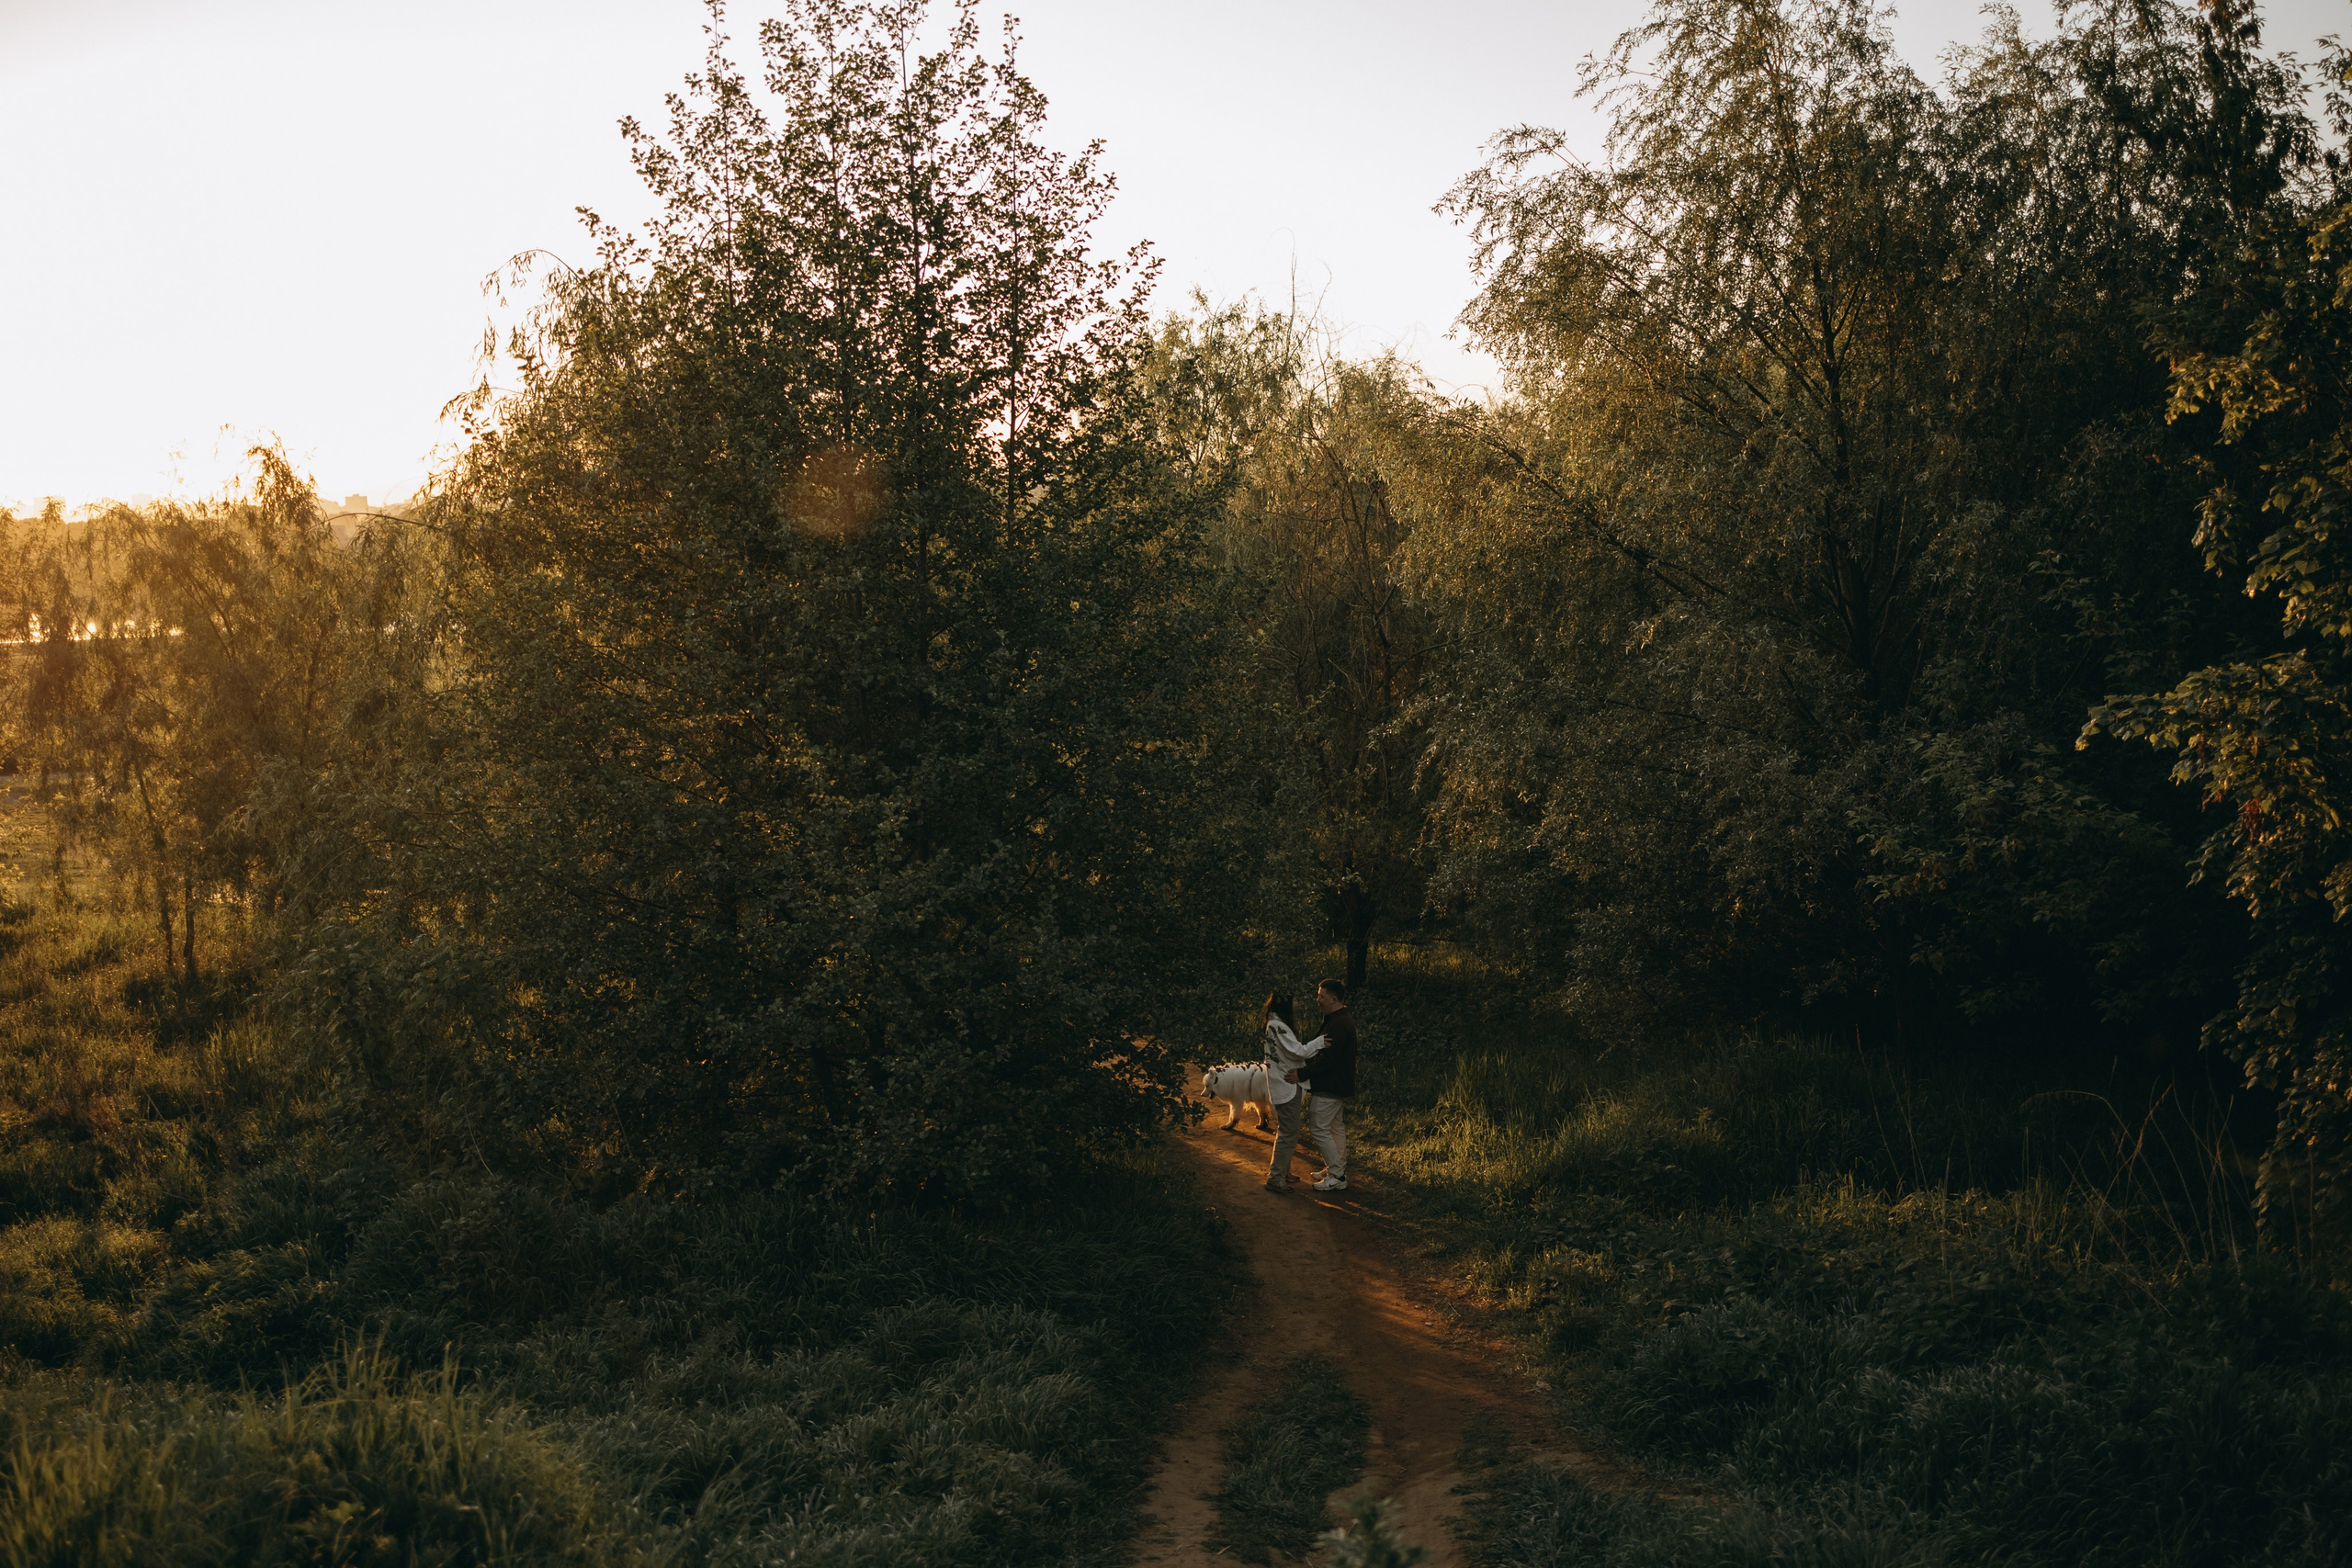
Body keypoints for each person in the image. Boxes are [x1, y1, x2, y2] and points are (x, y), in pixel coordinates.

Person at [1295, 977, 1355, 1191]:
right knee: (1334, 1127)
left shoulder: (1338, 1023)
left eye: (1321, 996)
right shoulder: (1335, 1019)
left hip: (1331, 1084)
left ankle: (1337, 1176)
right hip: (1336, 1084)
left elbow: (1328, 1059)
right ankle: (1336, 1168)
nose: (1317, 999)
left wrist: (1302, 1073)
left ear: (1334, 998)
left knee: (1319, 1127)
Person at [1260, 991, 1315, 1193]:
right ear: (1286, 1003)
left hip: (1285, 1082)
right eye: (1294, 999)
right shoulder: (1277, 1026)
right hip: (1286, 1084)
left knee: (1287, 1130)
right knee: (1288, 1132)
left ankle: (1283, 1172)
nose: (1297, 1003)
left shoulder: (1275, 1023)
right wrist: (1320, 1042)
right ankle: (1275, 1178)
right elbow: (1299, 1051)